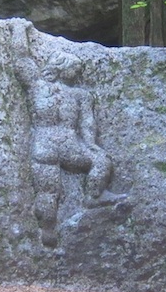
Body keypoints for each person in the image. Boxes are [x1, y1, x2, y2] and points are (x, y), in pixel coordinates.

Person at [11, 26, 121, 247]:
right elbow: (87, 125)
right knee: (98, 161)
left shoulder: (38, 86)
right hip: (68, 144)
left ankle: (50, 227)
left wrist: (18, 29)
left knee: (48, 189)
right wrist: (91, 146)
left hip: (45, 144)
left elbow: (21, 59)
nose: (77, 73)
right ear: (63, 67)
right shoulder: (78, 94)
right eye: (75, 68)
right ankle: (91, 198)